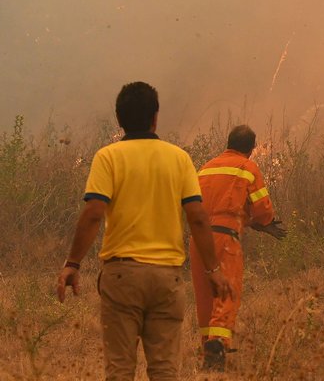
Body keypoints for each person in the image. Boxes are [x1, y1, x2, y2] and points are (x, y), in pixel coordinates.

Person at [56, 81, 232, 381]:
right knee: (164, 370)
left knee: (120, 370)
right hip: (167, 278)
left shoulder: (107, 157)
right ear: (155, 117)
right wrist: (213, 269)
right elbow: (198, 218)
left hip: (122, 276)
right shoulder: (179, 159)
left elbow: (93, 214)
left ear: (119, 119)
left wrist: (72, 263)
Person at [190, 124, 284, 372]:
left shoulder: (206, 167)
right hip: (224, 238)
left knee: (204, 294)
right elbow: (262, 208)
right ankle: (218, 345)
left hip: (197, 239)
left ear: (228, 142)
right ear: (252, 149)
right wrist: (264, 223)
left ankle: (207, 349)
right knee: (226, 291)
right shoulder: (247, 167)